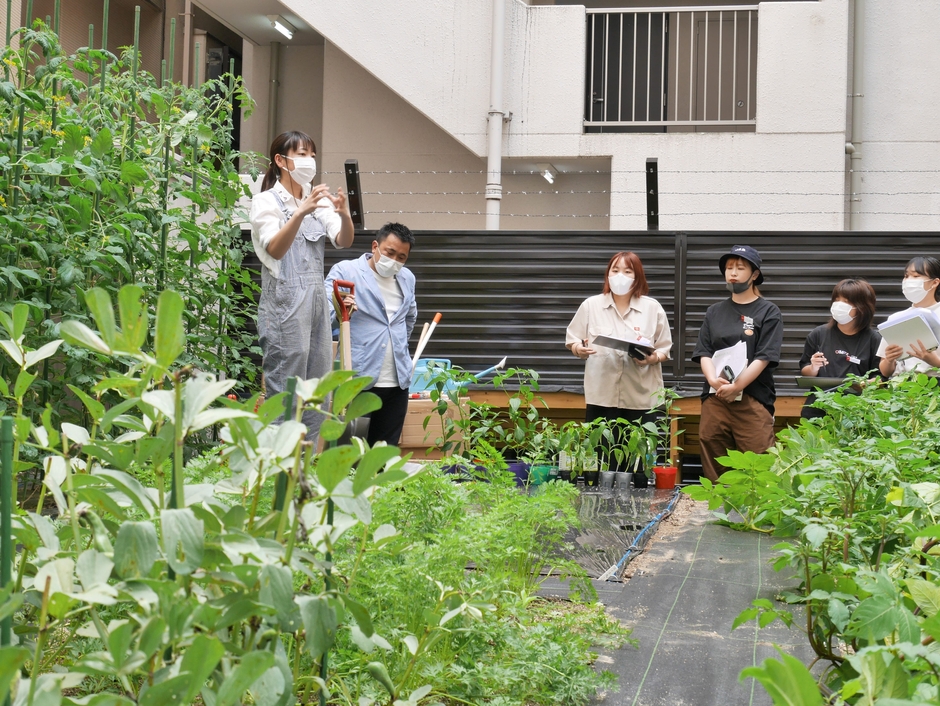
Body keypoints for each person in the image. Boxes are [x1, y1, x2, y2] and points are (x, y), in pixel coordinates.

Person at [249, 131, 354, 441]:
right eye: (302, 154)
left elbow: (343, 241)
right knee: (287, 390)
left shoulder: (317, 201)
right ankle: (278, 464)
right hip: (284, 307)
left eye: (312, 155)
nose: (309, 161)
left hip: (316, 307)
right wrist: (300, 212)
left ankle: (304, 464)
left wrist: (344, 215)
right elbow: (275, 249)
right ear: (281, 160)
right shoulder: (265, 201)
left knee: (317, 392)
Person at [565, 251, 673, 475]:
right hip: (601, 396)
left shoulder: (652, 308)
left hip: (641, 398)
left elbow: (664, 348)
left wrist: (652, 358)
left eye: (627, 271)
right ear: (607, 275)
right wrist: (578, 348)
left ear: (637, 276)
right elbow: (573, 339)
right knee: (600, 461)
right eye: (615, 270)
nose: (620, 276)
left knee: (638, 465)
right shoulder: (591, 305)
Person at [692, 245, 782, 482]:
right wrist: (713, 381)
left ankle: (758, 504)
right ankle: (719, 502)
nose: (732, 273)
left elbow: (764, 356)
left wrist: (738, 386)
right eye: (729, 268)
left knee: (758, 459)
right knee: (714, 452)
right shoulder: (714, 311)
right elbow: (704, 352)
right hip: (716, 396)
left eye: (740, 268)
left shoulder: (768, 311)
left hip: (753, 396)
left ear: (754, 275)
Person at [325, 223, 418, 446]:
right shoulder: (346, 271)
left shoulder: (407, 278)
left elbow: (409, 317)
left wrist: (398, 347)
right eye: (390, 252)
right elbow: (322, 316)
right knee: (349, 452)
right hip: (356, 377)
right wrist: (339, 309)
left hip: (397, 382)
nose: (394, 260)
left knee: (383, 452)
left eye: (402, 257)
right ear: (375, 246)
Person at [799, 278, 882, 419]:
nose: (839, 305)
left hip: (857, 411)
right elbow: (804, 371)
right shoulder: (818, 334)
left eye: (846, 301)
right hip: (818, 409)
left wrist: (865, 384)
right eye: (837, 300)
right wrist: (813, 367)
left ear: (862, 307)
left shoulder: (874, 339)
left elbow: (880, 378)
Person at [878, 256, 940, 377]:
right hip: (903, 384)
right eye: (906, 276)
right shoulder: (895, 319)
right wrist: (889, 359)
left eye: (916, 276)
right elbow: (885, 371)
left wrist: (935, 362)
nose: (909, 281)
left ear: (935, 282)